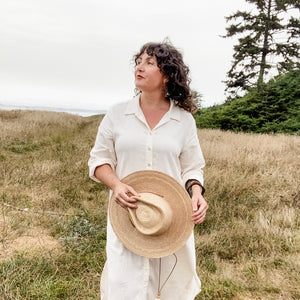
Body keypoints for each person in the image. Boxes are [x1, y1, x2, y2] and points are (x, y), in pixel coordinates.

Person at [88, 41, 208, 300]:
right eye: (138, 62)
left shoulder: (184, 121)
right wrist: (116, 185)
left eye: (149, 63)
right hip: (127, 215)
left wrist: (196, 193)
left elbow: (192, 167)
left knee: (170, 285)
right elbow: (98, 160)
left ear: (167, 75)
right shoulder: (117, 114)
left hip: (171, 217)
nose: (139, 67)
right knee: (124, 285)